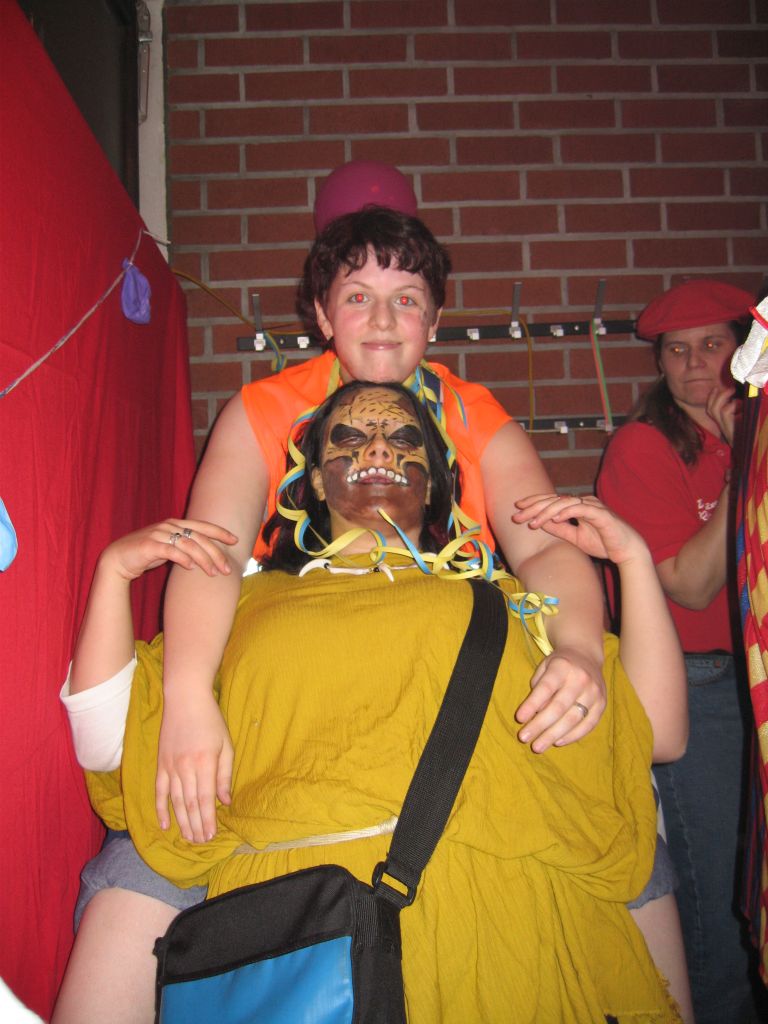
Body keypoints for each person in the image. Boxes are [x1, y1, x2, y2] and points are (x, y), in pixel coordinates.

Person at [56, 382, 683, 1023]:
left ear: (436, 485)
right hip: (305, 942)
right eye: (350, 438)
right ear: (314, 481)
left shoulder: (507, 603)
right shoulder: (239, 609)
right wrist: (113, 572)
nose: (378, 448)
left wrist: (633, 562)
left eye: (405, 438)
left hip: (503, 933)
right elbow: (107, 743)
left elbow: (657, 734)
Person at [156, 203, 610, 849]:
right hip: (298, 678)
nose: (381, 319)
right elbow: (213, 553)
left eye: (406, 300)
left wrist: (580, 651)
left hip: (438, 676)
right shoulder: (263, 411)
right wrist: (188, 697)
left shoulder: (475, 416)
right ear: (321, 315)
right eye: (357, 297)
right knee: (141, 869)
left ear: (434, 320)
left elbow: (543, 548)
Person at [596, 278, 760, 1024]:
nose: (694, 365)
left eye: (712, 346)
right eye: (676, 351)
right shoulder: (643, 447)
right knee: (717, 899)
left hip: (756, 677)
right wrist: (743, 468)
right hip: (700, 688)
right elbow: (690, 586)